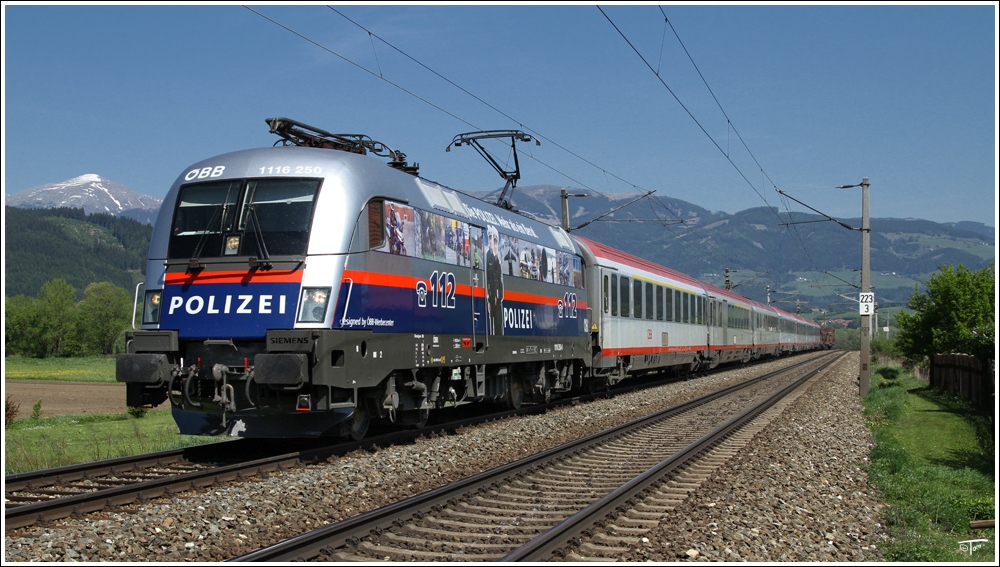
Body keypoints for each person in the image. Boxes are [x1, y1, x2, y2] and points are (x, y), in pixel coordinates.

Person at [485, 226, 504, 335]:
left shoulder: (498, 259)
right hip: (492, 297)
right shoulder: (489, 256)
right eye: (491, 240)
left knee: (498, 322)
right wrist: (490, 298)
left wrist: (498, 296)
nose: (493, 243)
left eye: (495, 241)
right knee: (493, 322)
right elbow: (489, 278)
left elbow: (499, 280)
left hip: (498, 297)